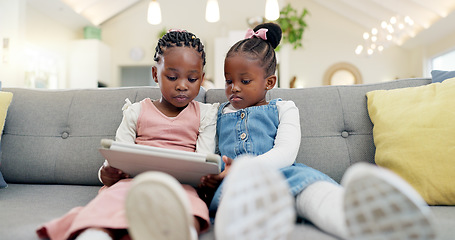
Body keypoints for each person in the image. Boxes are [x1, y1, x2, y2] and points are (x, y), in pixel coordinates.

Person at [199, 22, 436, 240]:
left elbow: (286, 153)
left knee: (316, 192)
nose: (233, 88)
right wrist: (212, 176)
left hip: (285, 173)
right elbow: (205, 156)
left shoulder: (284, 108)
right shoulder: (215, 112)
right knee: (237, 200)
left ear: (269, 83)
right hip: (237, 183)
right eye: (229, 80)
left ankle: (369, 224)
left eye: (245, 81)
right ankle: (252, 226)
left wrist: (244, 166)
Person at [36, 29, 219, 240]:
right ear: (154, 74)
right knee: (109, 203)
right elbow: (118, 155)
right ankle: (96, 233)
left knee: (191, 210)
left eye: (193, 78)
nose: (182, 85)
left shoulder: (205, 114)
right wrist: (107, 173)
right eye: (172, 77)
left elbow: (203, 161)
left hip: (181, 187)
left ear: (202, 78)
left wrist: (207, 179)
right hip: (132, 183)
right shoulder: (136, 111)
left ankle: (177, 233)